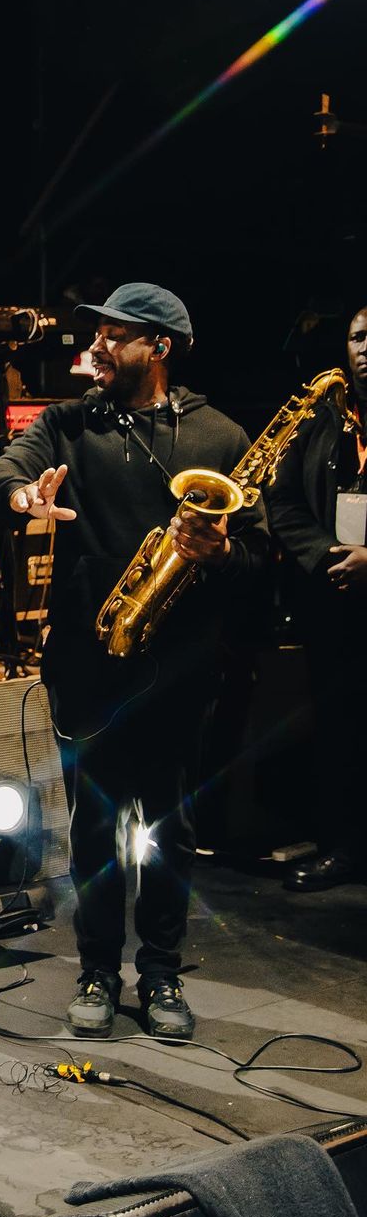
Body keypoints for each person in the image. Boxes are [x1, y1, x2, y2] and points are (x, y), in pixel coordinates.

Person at [0, 284, 268, 1040]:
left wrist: (222, 552)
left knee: (170, 830)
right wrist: (23, 497)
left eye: (114, 336)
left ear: (159, 347)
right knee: (94, 831)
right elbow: (6, 472)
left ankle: (163, 972)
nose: (96, 349)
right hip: (90, 664)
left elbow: (261, 558)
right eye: (97, 335)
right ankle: (98, 970)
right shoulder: (67, 423)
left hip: (183, 668)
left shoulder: (222, 436)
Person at [267, 304, 367, 891]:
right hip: (334, 600)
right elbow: (281, 503)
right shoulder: (319, 421)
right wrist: (330, 555)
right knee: (340, 728)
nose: (366, 348)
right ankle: (344, 847)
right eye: (358, 337)